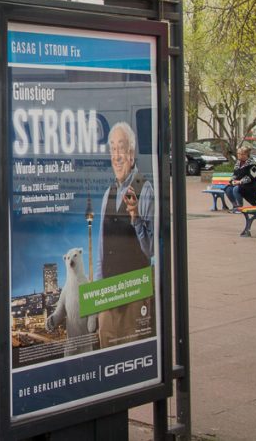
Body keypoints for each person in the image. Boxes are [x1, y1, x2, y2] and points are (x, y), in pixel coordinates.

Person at [96, 122, 156, 349]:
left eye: (121, 148)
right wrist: (99, 296)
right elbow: (101, 250)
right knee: (106, 350)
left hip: (134, 292)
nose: (117, 156)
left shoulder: (145, 190)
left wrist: (136, 218)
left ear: (131, 154)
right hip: (109, 295)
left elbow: (150, 250)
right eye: (112, 149)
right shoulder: (107, 195)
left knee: (134, 348)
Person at [225, 147, 256, 213]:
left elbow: (253, 176)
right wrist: (232, 181)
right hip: (240, 183)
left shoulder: (253, 163)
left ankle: (240, 207)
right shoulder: (238, 163)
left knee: (236, 189)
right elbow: (235, 174)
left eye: (240, 154)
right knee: (228, 189)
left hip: (251, 184)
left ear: (245, 155)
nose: (238, 155)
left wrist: (240, 182)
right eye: (238, 153)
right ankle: (235, 206)